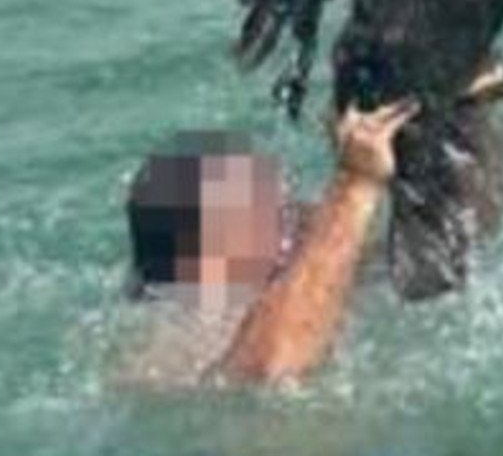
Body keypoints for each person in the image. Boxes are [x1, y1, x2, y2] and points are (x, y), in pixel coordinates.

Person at [117, 98, 419, 387]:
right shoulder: (177, 353)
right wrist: (356, 184)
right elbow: (272, 364)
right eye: (282, 214)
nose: (302, 217)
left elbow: (410, 253)